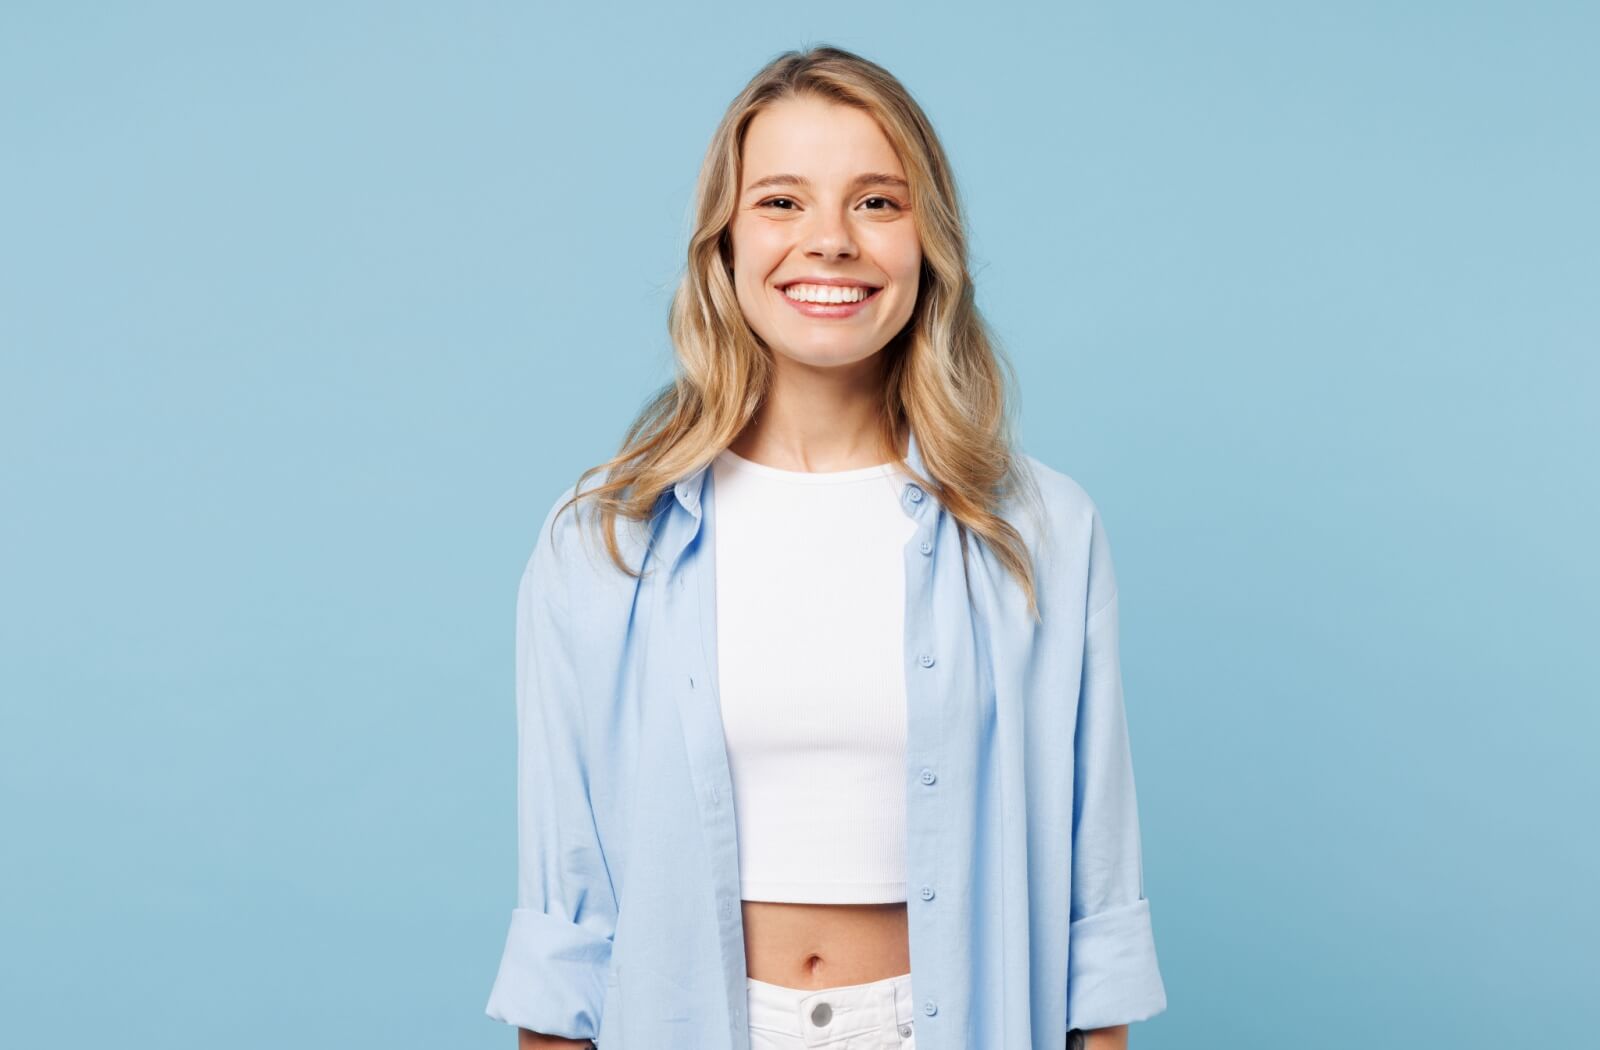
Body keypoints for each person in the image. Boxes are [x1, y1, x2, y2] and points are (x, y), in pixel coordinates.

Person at [485, 44, 1167, 1050]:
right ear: (722, 243)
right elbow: (563, 927)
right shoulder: (603, 539)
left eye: (878, 203)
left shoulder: (1040, 532)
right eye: (781, 202)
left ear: (928, 243)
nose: (831, 242)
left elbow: (1094, 916)